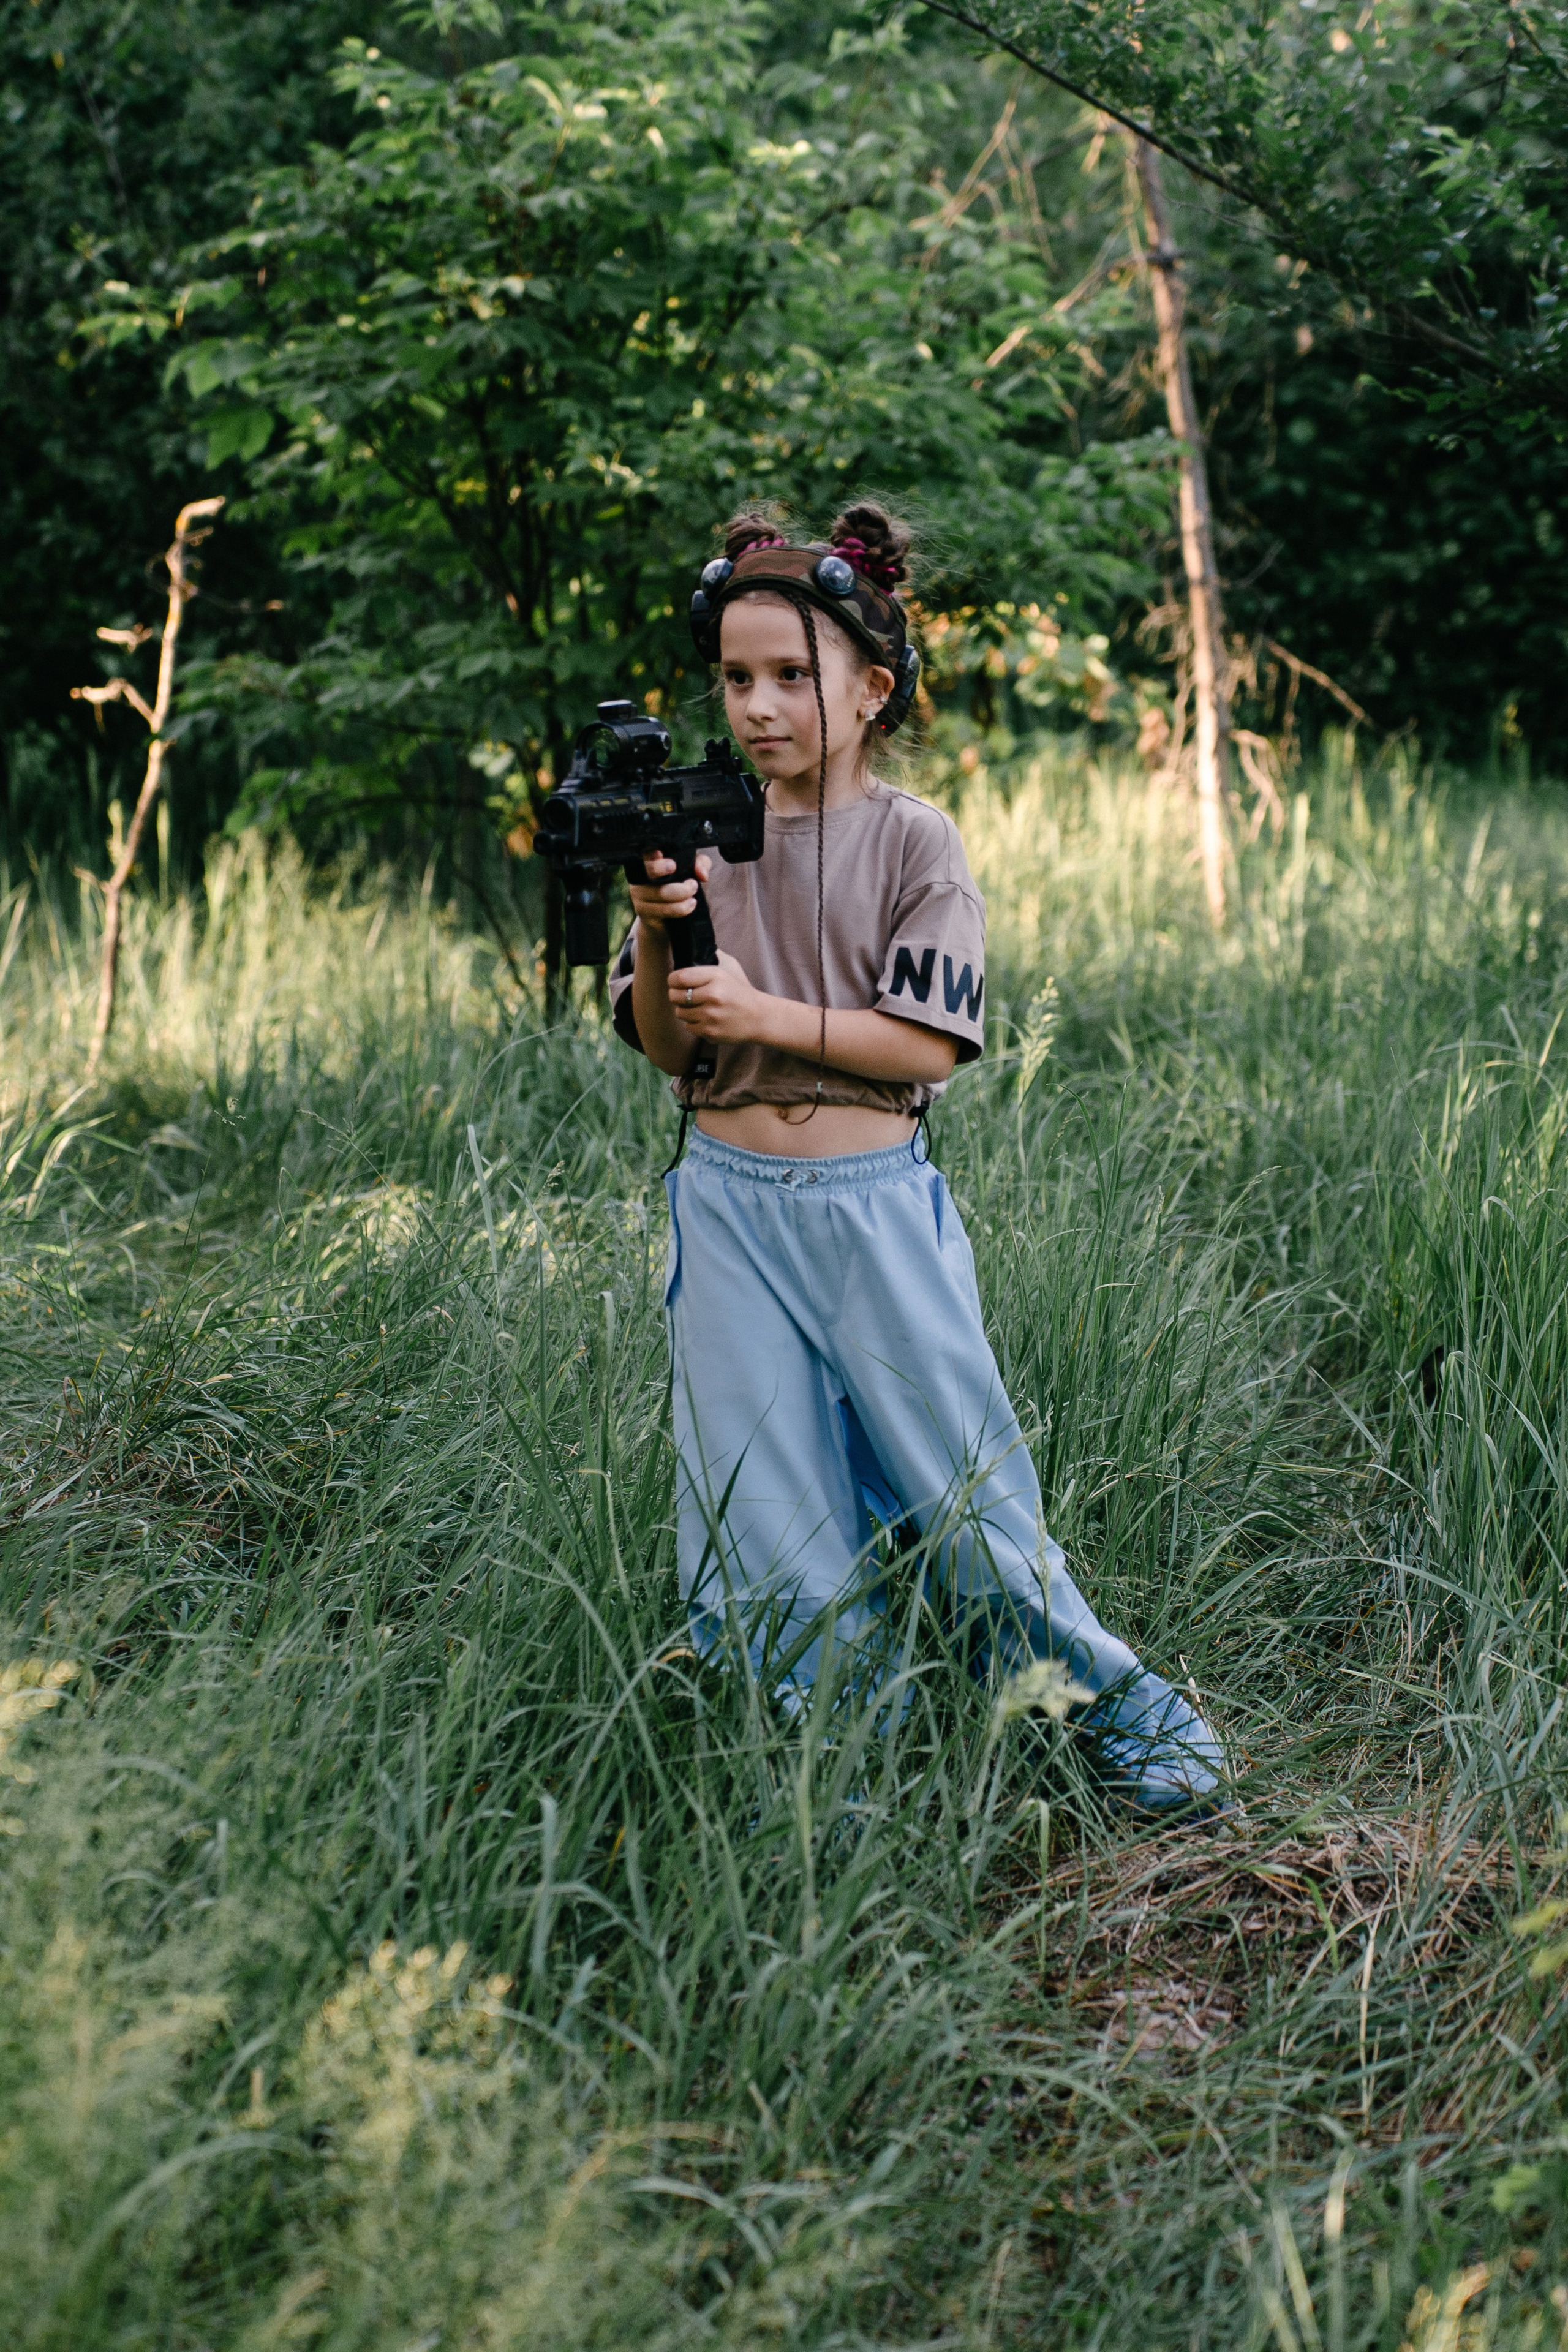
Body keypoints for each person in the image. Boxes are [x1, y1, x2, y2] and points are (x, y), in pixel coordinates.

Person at [608, 501, 1225, 1815]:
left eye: (791, 676)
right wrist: (661, 928)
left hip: (870, 1208)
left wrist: (767, 1014)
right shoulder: (695, 832)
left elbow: (927, 1046)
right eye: (735, 678)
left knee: (959, 1485)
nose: (757, 707)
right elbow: (666, 1047)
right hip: (726, 1205)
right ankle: (841, 1759)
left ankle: (1116, 1719)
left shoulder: (912, 841)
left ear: (870, 689)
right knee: (763, 1503)